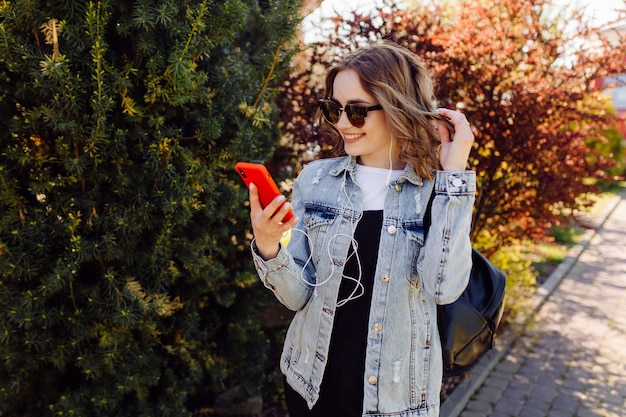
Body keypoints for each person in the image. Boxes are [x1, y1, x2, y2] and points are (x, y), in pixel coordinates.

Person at [247, 40, 475, 417]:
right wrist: (269, 246)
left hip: (395, 400)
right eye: (333, 109)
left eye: (355, 112)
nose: (340, 124)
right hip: (309, 384)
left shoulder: (439, 189)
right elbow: (298, 296)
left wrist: (455, 175)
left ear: (396, 107)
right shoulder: (316, 180)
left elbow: (443, 287)